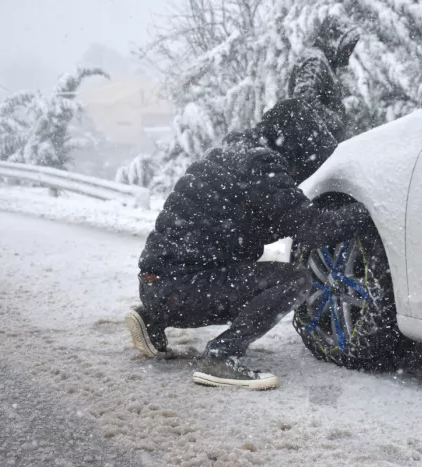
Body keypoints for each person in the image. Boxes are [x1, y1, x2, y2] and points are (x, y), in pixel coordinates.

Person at [125, 99, 371, 390]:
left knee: (240, 273)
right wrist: (369, 209)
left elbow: (262, 221)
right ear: (296, 146)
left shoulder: (235, 156)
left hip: (158, 285)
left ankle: (152, 317)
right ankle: (220, 356)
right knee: (294, 280)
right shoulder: (261, 166)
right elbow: (314, 229)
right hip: (182, 289)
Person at [288, 15, 360, 143]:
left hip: (317, 143)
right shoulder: (316, 60)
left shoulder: (322, 61)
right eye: (346, 48)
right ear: (333, 38)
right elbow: (302, 99)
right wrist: (334, 121)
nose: (348, 53)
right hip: (314, 147)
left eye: (351, 49)